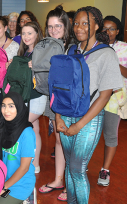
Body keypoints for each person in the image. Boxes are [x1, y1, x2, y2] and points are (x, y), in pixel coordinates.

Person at [56, 7, 122, 203]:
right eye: (76, 23)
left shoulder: (106, 54)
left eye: (85, 23)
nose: (79, 27)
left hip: (89, 119)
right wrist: (58, 117)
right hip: (66, 114)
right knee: (69, 165)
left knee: (78, 168)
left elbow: (104, 96)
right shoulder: (71, 50)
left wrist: (79, 125)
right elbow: (61, 86)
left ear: (96, 25)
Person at [38, 5, 71, 201]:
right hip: (53, 101)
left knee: (68, 143)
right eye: (50, 26)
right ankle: (59, 179)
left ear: (66, 26)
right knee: (59, 141)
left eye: (58, 26)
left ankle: (71, 183)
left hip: (68, 102)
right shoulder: (48, 45)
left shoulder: (72, 47)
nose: (53, 30)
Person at [9, 22, 45, 175]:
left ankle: (22, 163)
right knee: (34, 129)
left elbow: (47, 72)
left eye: (30, 33)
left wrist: (36, 66)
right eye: (23, 34)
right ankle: (34, 164)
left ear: (37, 34)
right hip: (26, 96)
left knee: (20, 125)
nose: (26, 37)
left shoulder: (41, 52)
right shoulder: (24, 53)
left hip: (36, 97)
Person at [97, 15, 127, 186]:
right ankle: (82, 165)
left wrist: (112, 59)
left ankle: (105, 170)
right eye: (104, 29)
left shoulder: (124, 48)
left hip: (114, 99)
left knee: (110, 135)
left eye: (112, 29)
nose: (108, 32)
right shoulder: (95, 46)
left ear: (118, 31)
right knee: (89, 133)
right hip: (94, 98)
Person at [0, 92, 36, 204]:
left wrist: (3, 187)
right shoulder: (2, 127)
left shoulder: (27, 133)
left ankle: (28, 198)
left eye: (11, 106)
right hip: (3, 178)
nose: (6, 110)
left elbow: (24, 168)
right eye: (3, 105)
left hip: (20, 184)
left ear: (19, 107)